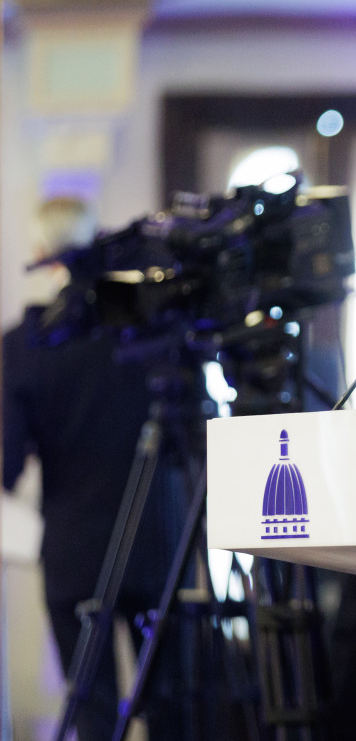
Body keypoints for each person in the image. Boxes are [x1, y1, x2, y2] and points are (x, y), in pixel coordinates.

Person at [2, 198, 182, 741]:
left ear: (42, 253)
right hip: (157, 542)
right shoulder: (149, 328)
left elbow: (6, 463)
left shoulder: (27, 344)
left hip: (75, 554)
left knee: (93, 712)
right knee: (171, 704)